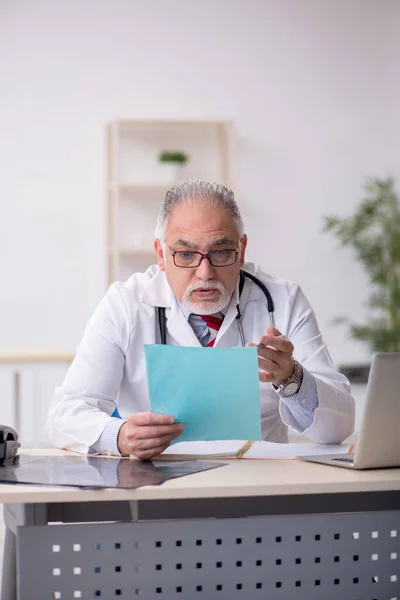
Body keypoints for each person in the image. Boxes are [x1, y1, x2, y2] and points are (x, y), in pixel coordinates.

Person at [46, 179, 355, 459]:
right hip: (156, 490)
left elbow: (337, 428)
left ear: (242, 248)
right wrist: (121, 437)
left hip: (260, 489)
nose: (205, 273)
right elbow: (65, 414)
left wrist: (292, 379)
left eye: (220, 252)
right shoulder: (125, 305)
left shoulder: (284, 301)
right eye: (186, 254)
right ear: (161, 254)